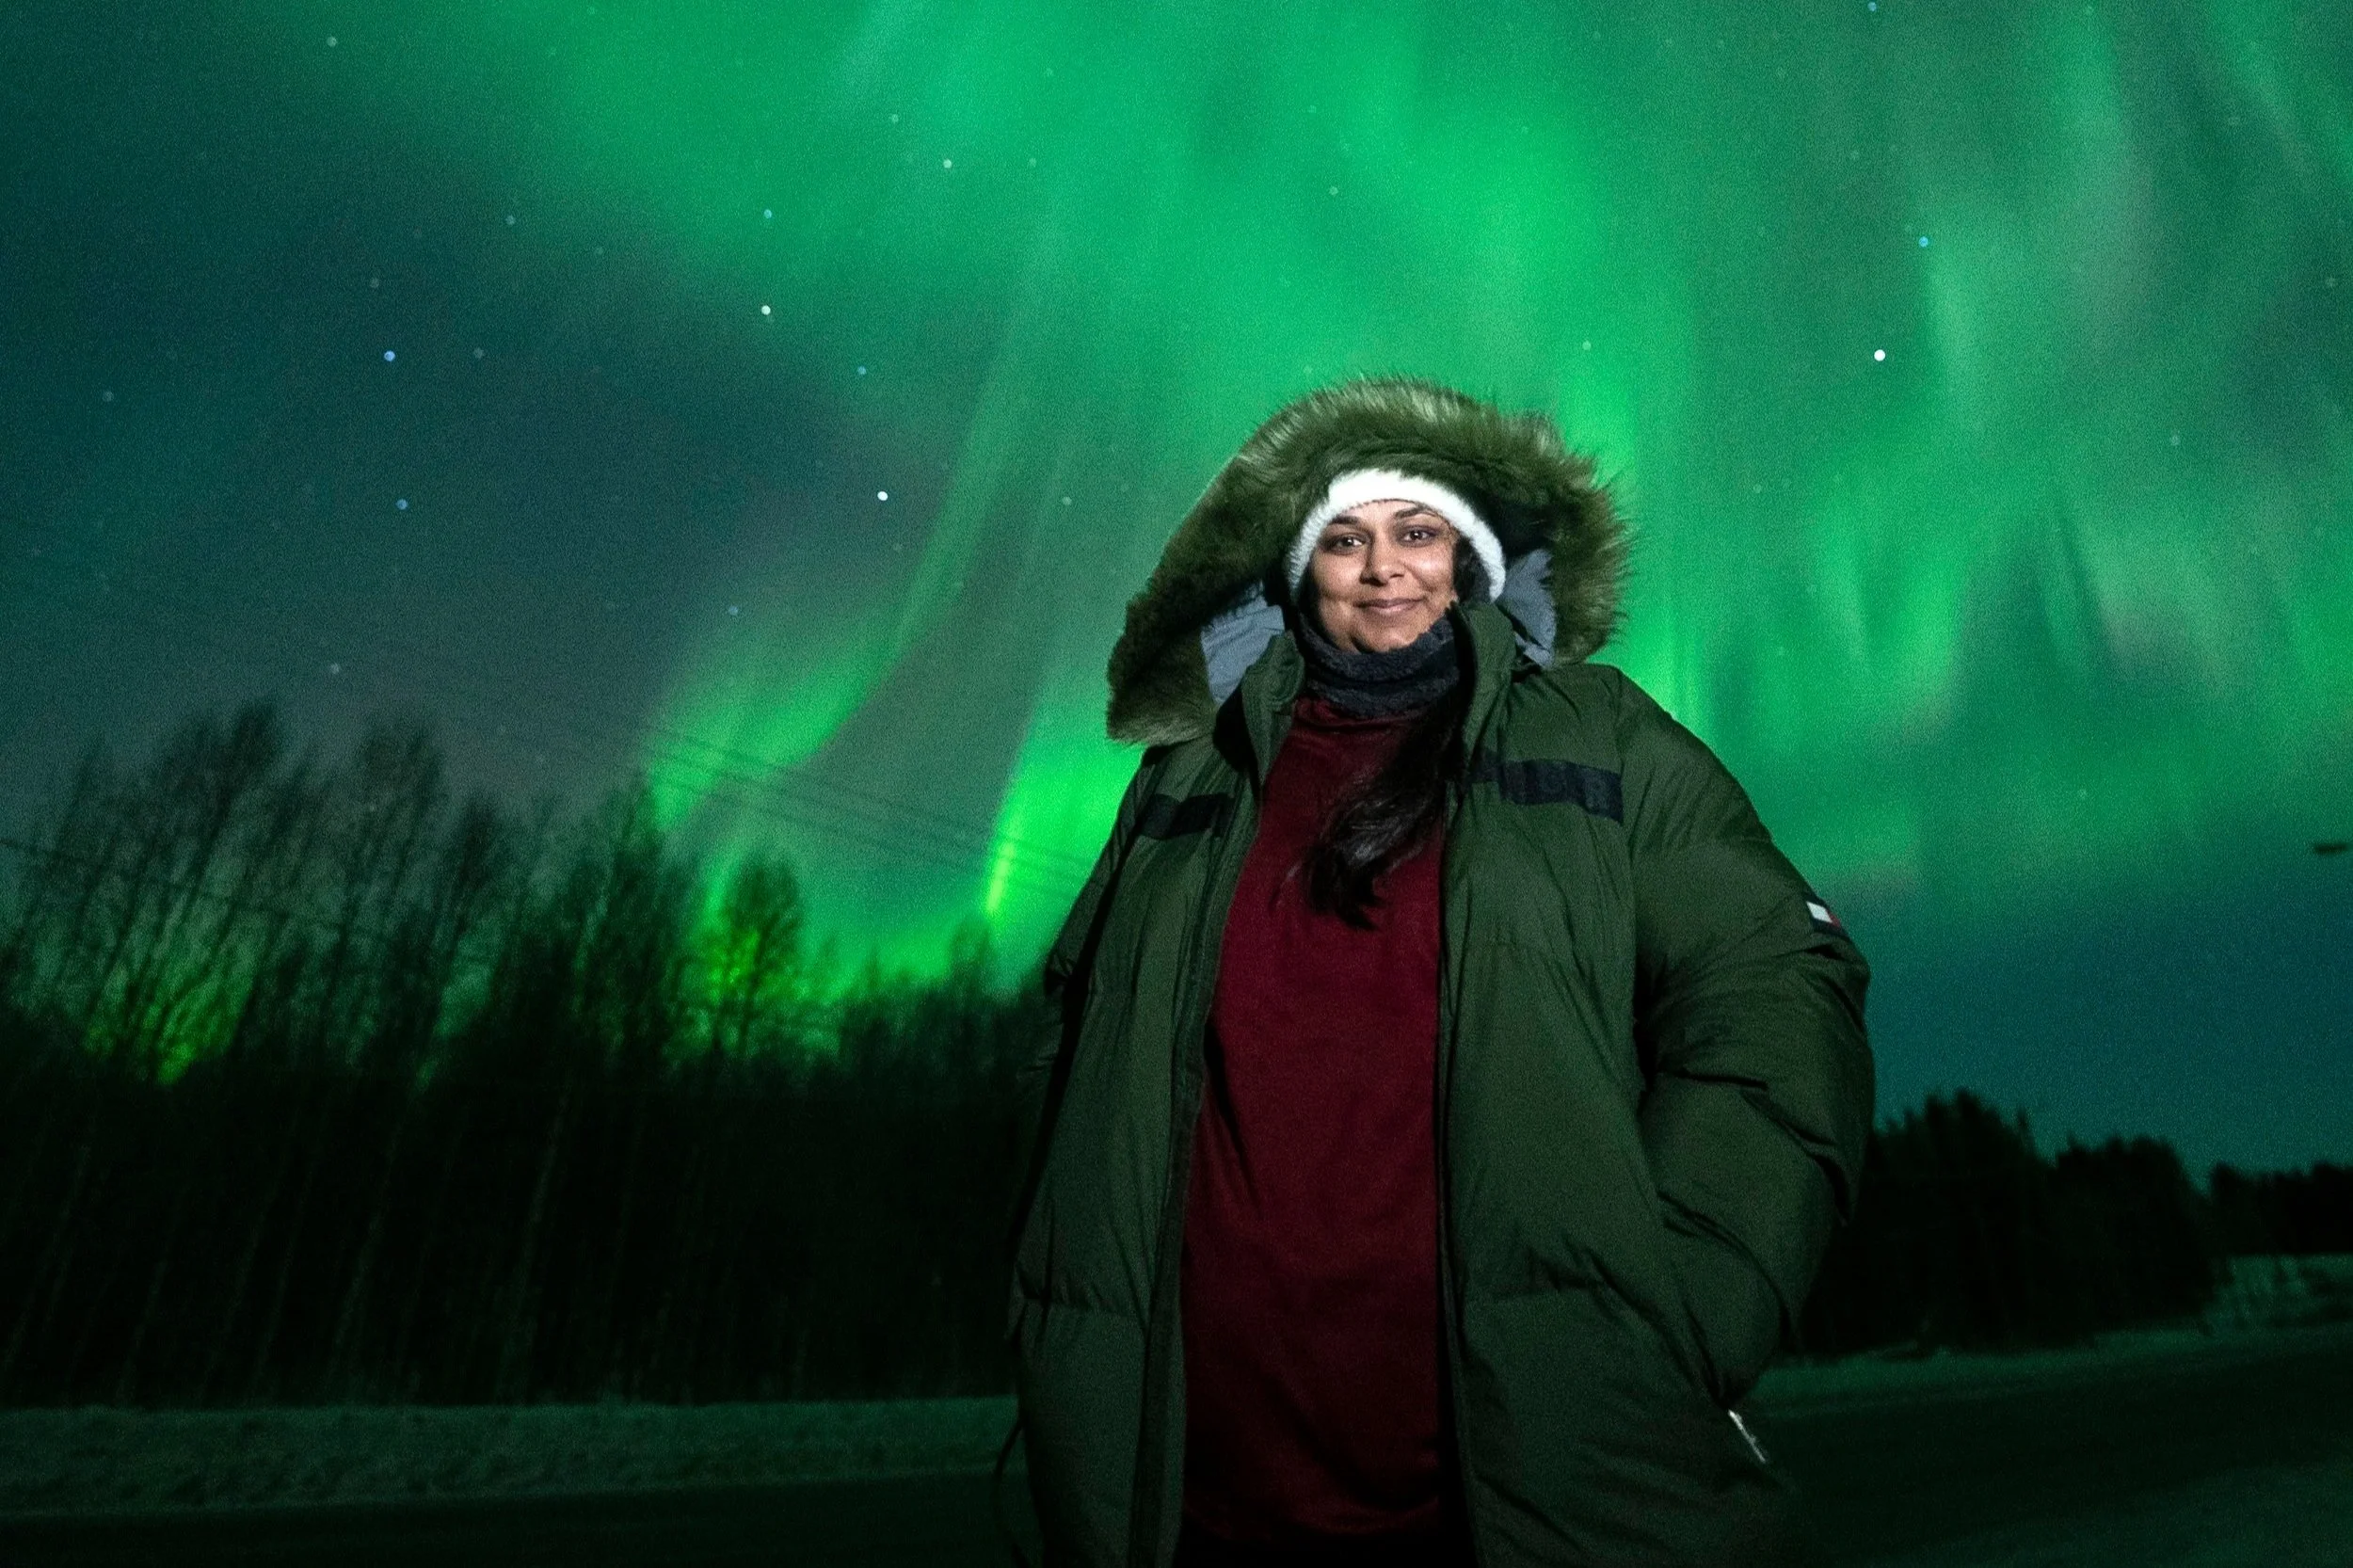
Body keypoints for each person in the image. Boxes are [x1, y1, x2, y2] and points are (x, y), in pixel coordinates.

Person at [1006, 376, 1874, 1567]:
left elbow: (1778, 983)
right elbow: (1071, 1037)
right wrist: (1059, 1318)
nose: (1382, 570)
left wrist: (1679, 1307)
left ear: (1467, 560)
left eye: (1416, 532)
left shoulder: (1598, 736)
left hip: (1503, 1486)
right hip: (1193, 1485)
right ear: (1297, 571)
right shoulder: (1184, 778)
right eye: (1344, 542)